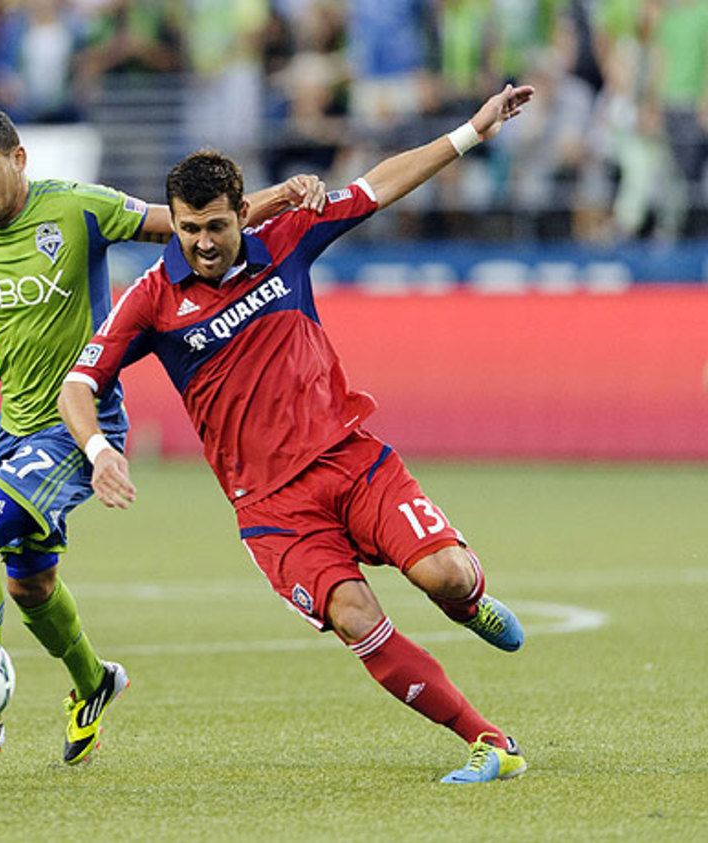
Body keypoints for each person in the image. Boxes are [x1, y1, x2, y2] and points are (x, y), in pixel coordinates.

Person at [58, 84, 535, 784]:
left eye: (216, 226)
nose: (203, 243)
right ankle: (489, 741)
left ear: (242, 212)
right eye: (188, 229)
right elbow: (78, 383)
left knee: (445, 575)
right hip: (272, 509)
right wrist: (99, 451)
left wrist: (471, 132)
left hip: (351, 459)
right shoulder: (152, 299)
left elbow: (377, 187)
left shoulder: (286, 238)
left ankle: (469, 601)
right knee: (356, 617)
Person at [0, 105, 328, 764]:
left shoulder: (78, 208)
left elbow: (180, 223)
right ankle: (94, 683)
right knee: (30, 587)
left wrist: (280, 197)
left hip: (77, 424)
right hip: (14, 430)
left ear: (19, 159)